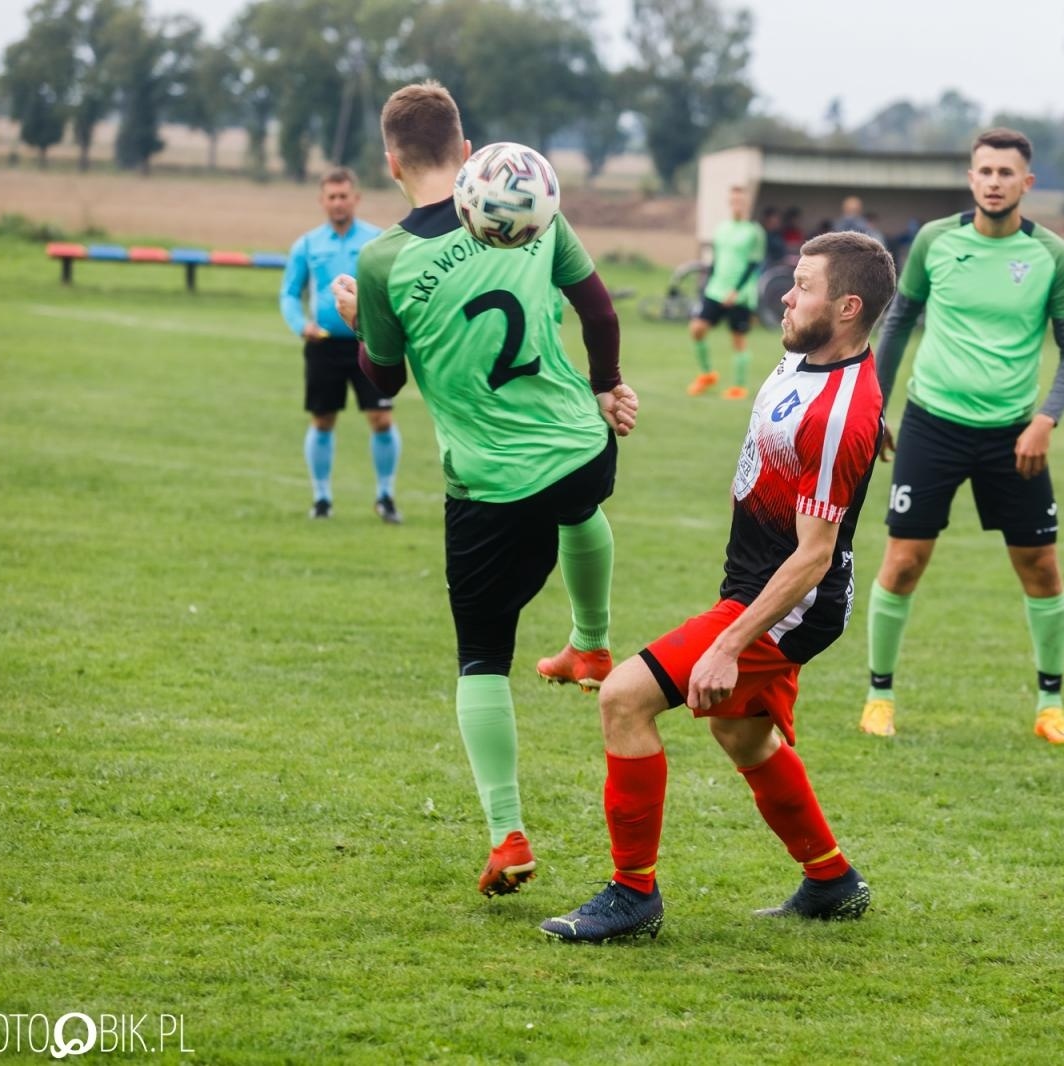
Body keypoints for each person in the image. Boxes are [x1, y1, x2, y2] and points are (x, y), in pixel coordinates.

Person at [540, 232, 896, 943]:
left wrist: (731, 643)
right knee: (742, 732)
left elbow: (814, 557)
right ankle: (831, 879)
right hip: (756, 581)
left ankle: (632, 894)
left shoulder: (838, 414)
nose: (785, 296)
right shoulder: (814, 350)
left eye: (803, 286)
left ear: (848, 307)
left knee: (624, 699)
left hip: (788, 600)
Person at [332, 81, 639, 899]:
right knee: (582, 508)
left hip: (491, 486)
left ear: (391, 163)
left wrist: (362, 320)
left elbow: (384, 382)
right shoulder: (528, 200)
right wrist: (606, 385)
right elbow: (599, 311)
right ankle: (592, 638)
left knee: (481, 658)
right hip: (581, 445)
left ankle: (507, 835)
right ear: (466, 151)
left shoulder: (384, 260)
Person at [858, 127, 1064, 745]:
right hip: (932, 425)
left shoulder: (1051, 257)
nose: (994, 182)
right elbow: (899, 323)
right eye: (984, 171)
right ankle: (878, 696)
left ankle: (1051, 708)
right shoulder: (936, 242)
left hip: (1014, 435)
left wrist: (1046, 420)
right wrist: (875, 406)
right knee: (904, 562)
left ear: (1026, 184)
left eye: (1006, 173)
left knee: (1041, 566)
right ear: (971, 178)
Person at [278, 166, 399, 521]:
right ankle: (321, 499)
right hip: (324, 347)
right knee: (323, 420)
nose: (338, 202)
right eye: (331, 197)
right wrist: (302, 325)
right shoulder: (307, 245)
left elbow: (394, 286)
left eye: (343, 196)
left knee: (381, 419)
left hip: (369, 341)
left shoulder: (377, 241)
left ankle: (386, 496)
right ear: (322, 201)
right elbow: (288, 293)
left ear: (355, 198)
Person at [688, 185, 767, 401]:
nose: (737, 204)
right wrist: (707, 284)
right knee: (697, 329)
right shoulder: (722, 228)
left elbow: (754, 265)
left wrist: (736, 290)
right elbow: (716, 260)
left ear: (747, 203)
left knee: (738, 339)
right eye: (733, 200)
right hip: (716, 290)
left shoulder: (755, 232)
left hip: (740, 295)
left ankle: (739, 387)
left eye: (740, 200)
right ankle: (707, 375)